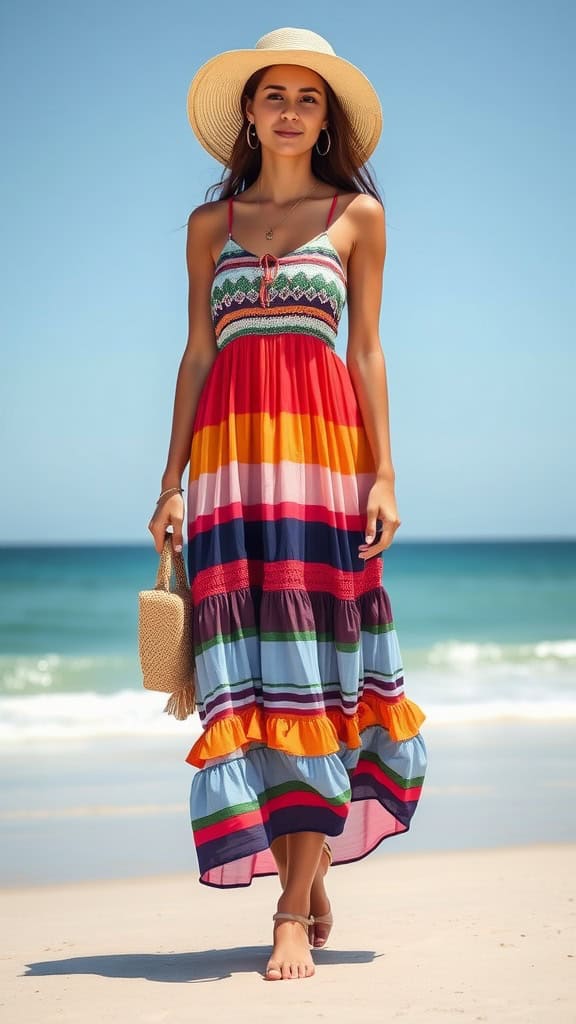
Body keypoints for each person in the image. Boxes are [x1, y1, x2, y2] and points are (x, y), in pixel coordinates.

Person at [148, 26, 427, 982]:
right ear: (251, 113)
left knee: (312, 676)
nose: (292, 111)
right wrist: (169, 480)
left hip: (322, 463)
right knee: (251, 685)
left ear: (327, 118)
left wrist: (385, 473)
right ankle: (309, 878)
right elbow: (196, 356)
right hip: (230, 471)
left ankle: (288, 910)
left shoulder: (356, 217)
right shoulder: (207, 227)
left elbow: (367, 354)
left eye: (310, 98)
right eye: (277, 95)